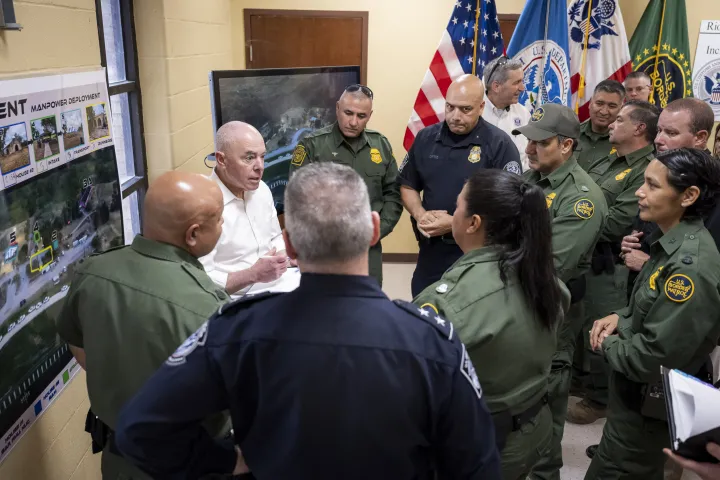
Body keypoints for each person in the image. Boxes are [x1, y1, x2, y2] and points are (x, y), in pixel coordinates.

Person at [114, 163, 502, 480]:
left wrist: (223, 463)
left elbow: (140, 431)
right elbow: (477, 467)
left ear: (290, 244)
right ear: (373, 229)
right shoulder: (433, 344)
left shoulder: (234, 332)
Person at [55, 171, 231, 479]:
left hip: (119, 461)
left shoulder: (93, 273)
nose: (223, 225)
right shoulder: (209, 307)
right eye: (218, 219)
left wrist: (120, 379)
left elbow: (76, 341)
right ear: (192, 234)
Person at [413, 169, 569, 480]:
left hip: (482, 444)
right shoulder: (545, 280)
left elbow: (412, 387)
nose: (452, 213)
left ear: (473, 223)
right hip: (535, 430)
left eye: (457, 206)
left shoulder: (447, 302)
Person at [586, 148, 720, 479]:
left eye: (652, 185)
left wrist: (608, 343)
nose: (639, 193)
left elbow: (654, 357)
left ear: (688, 196)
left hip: (645, 406)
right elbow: (647, 308)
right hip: (631, 398)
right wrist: (620, 317)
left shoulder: (690, 267)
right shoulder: (667, 240)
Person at [512, 103, 607, 480]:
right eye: (529, 140)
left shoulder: (582, 199)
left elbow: (548, 266)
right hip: (516, 304)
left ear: (566, 146)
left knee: (544, 401)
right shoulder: (529, 180)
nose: (530, 149)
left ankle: (544, 472)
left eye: (541, 142)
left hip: (551, 311)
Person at [568, 101, 659, 425]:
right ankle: (581, 381)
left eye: (619, 118)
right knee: (580, 325)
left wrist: (571, 220)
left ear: (638, 129)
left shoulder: (644, 168)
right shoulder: (611, 158)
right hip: (587, 255)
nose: (611, 123)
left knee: (601, 328)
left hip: (611, 262)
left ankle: (599, 399)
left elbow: (618, 221)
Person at [399, 74, 523, 297]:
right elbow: (407, 185)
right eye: (450, 107)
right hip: (432, 250)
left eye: (465, 109)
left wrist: (458, 223)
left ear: (481, 107)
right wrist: (420, 214)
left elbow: (510, 203)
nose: (455, 116)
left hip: (477, 254)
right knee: (425, 308)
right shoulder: (426, 138)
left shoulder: (499, 144)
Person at [289, 84, 402, 286]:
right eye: (348, 113)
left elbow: (393, 193)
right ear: (337, 108)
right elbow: (297, 198)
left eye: (361, 116)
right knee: (323, 307)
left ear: (370, 115)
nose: (353, 122)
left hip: (368, 247)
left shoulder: (381, 145)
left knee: (367, 308)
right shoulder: (312, 145)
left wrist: (376, 231)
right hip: (324, 250)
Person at [201, 121, 293, 297]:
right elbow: (201, 280)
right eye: (249, 158)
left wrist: (285, 258)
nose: (260, 167)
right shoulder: (202, 205)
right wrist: (253, 275)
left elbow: (274, 236)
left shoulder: (262, 190)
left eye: (262, 157)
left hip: (280, 283)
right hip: (233, 300)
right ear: (221, 160)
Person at [482, 56, 532, 170]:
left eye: (522, 81)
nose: (522, 88)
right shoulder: (473, 112)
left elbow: (529, 157)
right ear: (496, 86)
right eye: (517, 82)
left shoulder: (523, 113)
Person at [576, 80, 625, 171]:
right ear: (590, 103)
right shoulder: (572, 134)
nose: (603, 111)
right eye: (599, 104)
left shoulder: (626, 143)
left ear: (622, 108)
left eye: (612, 106)